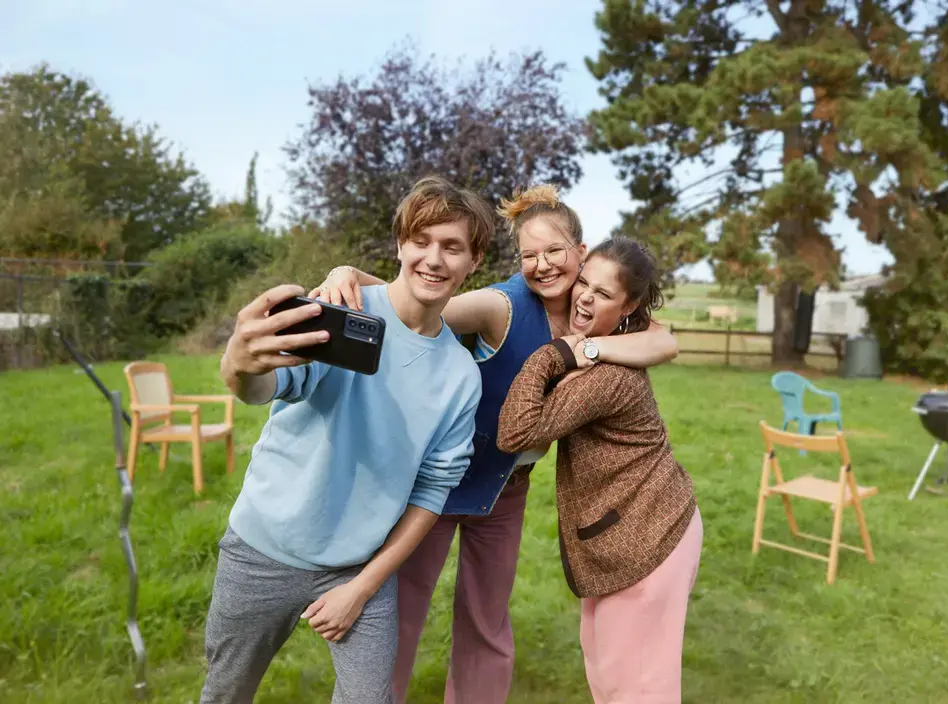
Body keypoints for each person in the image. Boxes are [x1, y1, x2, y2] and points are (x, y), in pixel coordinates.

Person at [309, 185, 679, 703]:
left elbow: (666, 340)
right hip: (438, 485)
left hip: (506, 492)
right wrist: (350, 275)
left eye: (554, 251)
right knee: (402, 611)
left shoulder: (593, 310)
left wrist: (589, 346)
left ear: (582, 252)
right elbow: (417, 298)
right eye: (529, 255)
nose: (543, 265)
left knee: (486, 619)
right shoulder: (499, 305)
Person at [198, 176, 492, 704]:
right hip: (264, 548)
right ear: (400, 244)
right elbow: (267, 385)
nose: (434, 258)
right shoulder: (342, 311)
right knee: (226, 693)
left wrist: (359, 588)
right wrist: (236, 367)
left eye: (453, 247)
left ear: (474, 263)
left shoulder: (460, 375)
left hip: (360, 563)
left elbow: (431, 493)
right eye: (421, 241)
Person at [496, 236, 703, 704]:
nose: (585, 297)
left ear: (629, 307)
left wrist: (556, 354)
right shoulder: (612, 348)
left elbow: (515, 432)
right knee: (610, 677)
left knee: (638, 688)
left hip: (650, 538)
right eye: (584, 283)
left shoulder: (607, 374)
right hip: (635, 530)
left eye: (603, 293)